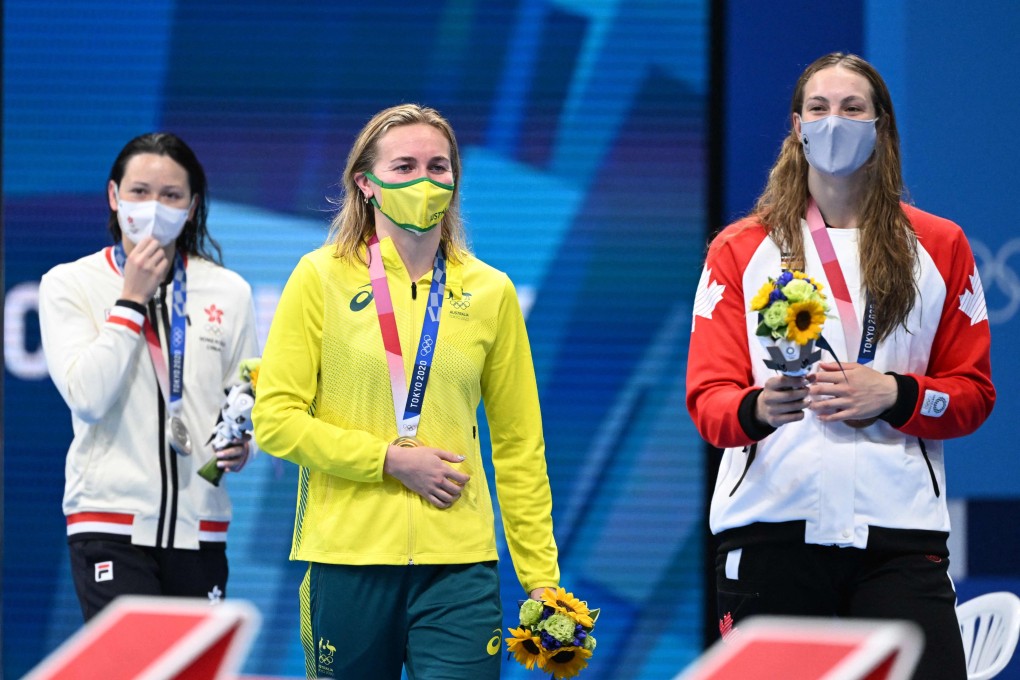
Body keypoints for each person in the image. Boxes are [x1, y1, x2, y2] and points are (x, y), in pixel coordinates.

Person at [686, 53, 994, 679]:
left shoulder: (940, 245)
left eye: (853, 108)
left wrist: (896, 394)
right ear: (797, 127)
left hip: (899, 538)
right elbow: (708, 402)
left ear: (881, 126)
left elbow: (972, 395)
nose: (835, 122)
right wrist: (758, 408)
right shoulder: (741, 248)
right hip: (772, 531)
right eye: (819, 109)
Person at [251, 103, 560, 680]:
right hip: (347, 557)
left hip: (459, 563)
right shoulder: (319, 278)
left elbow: (520, 446)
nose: (425, 180)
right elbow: (276, 420)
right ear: (365, 184)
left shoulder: (491, 292)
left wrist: (540, 576)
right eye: (404, 166)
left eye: (438, 166)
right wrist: (387, 462)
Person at [39, 132, 259, 621]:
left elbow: (244, 395)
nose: (154, 207)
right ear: (114, 196)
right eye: (139, 192)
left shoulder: (229, 291)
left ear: (192, 205)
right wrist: (131, 300)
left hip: (200, 527)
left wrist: (246, 446)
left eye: (171, 195)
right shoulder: (69, 284)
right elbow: (87, 397)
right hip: (110, 523)